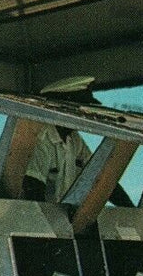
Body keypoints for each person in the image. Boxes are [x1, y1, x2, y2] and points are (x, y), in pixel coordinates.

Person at [23, 77, 132, 206]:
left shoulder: (74, 139)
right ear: (64, 107)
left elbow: (99, 174)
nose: (85, 115)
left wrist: (132, 210)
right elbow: (33, 191)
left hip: (59, 216)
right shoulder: (41, 139)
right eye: (81, 110)